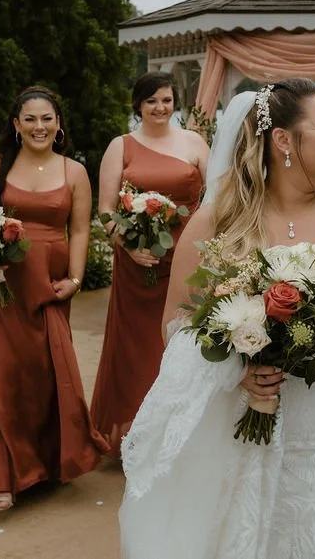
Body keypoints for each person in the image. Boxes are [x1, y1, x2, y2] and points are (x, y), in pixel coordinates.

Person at [117, 80, 315, 558]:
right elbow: (176, 325)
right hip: (258, 423)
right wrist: (238, 368)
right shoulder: (217, 221)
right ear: (284, 140)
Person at [0, 86, 106, 511]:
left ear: (58, 124)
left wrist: (76, 280)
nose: (39, 126)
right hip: (2, 284)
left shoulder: (74, 171)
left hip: (51, 284)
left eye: (47, 119)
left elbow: (79, 230)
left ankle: (44, 464)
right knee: (2, 375)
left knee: (45, 372)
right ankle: (1, 476)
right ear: (16, 124)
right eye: (30, 119)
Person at [89, 71, 208, 456]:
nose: (160, 108)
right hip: (138, 265)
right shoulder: (120, 146)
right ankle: (135, 433)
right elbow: (105, 210)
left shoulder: (194, 142)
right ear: (138, 105)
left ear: (176, 103)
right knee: (137, 348)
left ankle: (181, 432)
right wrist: (126, 244)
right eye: (151, 101)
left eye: (167, 100)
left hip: (189, 260)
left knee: (183, 343)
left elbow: (215, 202)